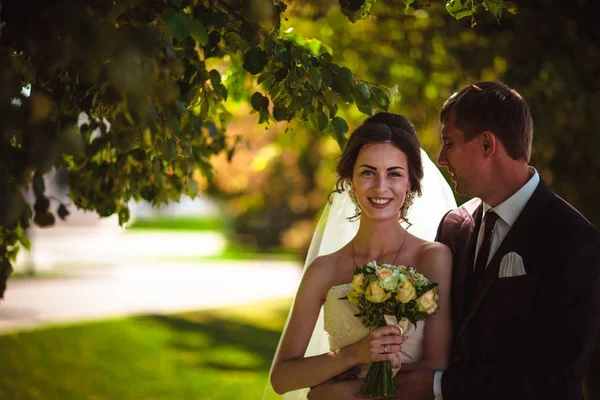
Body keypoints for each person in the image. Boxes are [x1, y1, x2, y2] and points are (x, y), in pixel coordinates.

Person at [393, 81, 600, 400]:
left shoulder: (573, 240)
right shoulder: (453, 225)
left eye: (449, 142)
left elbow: (557, 380)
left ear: (487, 145)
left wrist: (439, 387)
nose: (441, 158)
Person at [267, 112, 455, 400]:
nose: (380, 187)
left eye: (394, 173)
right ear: (350, 179)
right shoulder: (324, 269)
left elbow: (434, 372)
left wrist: (333, 392)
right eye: (368, 172)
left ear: (411, 183)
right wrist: (351, 354)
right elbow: (281, 378)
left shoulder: (433, 259)